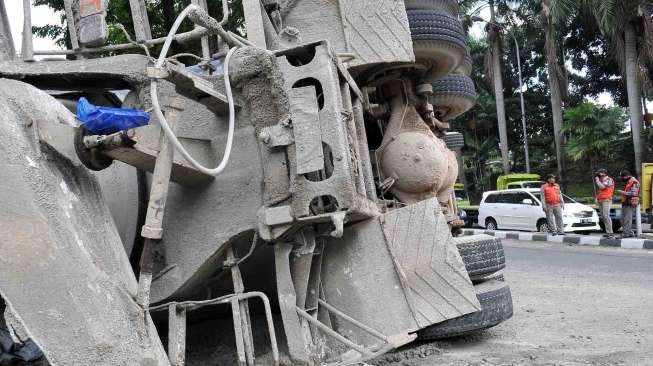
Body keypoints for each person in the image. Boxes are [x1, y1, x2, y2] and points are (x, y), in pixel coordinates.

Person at [616, 170, 641, 238]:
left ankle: (625, 234)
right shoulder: (628, 182)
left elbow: (634, 193)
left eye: (622, 177)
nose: (621, 179)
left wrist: (622, 192)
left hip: (630, 203)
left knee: (627, 219)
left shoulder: (634, 182)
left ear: (627, 176)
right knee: (622, 219)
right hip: (625, 202)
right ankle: (630, 232)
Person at [594, 169, 615, 237]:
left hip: (606, 199)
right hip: (601, 199)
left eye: (600, 173)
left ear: (604, 173)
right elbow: (601, 191)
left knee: (606, 215)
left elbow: (602, 187)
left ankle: (610, 232)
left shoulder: (609, 179)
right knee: (603, 216)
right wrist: (597, 198)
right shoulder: (601, 180)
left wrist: (597, 180)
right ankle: (608, 232)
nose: (599, 175)